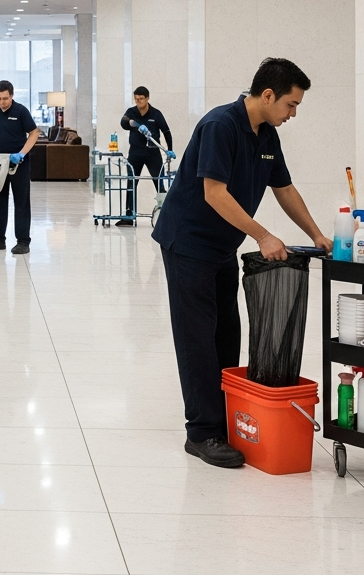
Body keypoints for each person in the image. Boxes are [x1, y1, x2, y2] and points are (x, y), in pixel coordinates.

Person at [151, 58, 333, 469]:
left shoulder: (267, 135)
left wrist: (316, 235)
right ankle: (201, 433)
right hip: (188, 243)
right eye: (291, 104)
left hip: (221, 247)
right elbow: (214, 193)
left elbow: (284, 188)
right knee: (197, 337)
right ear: (267, 96)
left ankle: (224, 421)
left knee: (226, 335)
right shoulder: (221, 125)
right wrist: (263, 235)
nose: (293, 114)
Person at [0, 80, 40, 255]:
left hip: (18, 162)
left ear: (12, 96)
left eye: (5, 98)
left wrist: (22, 153)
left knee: (21, 202)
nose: (2, 102)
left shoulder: (20, 111)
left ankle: (23, 241)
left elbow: (34, 132)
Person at [117, 86, 175, 226]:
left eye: (141, 99)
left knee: (159, 182)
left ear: (147, 98)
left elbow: (166, 132)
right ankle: (129, 215)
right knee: (131, 182)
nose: (139, 102)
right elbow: (123, 122)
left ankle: (165, 215)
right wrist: (134, 123)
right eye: (136, 99)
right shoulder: (132, 111)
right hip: (135, 152)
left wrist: (170, 150)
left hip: (152, 152)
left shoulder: (156, 114)